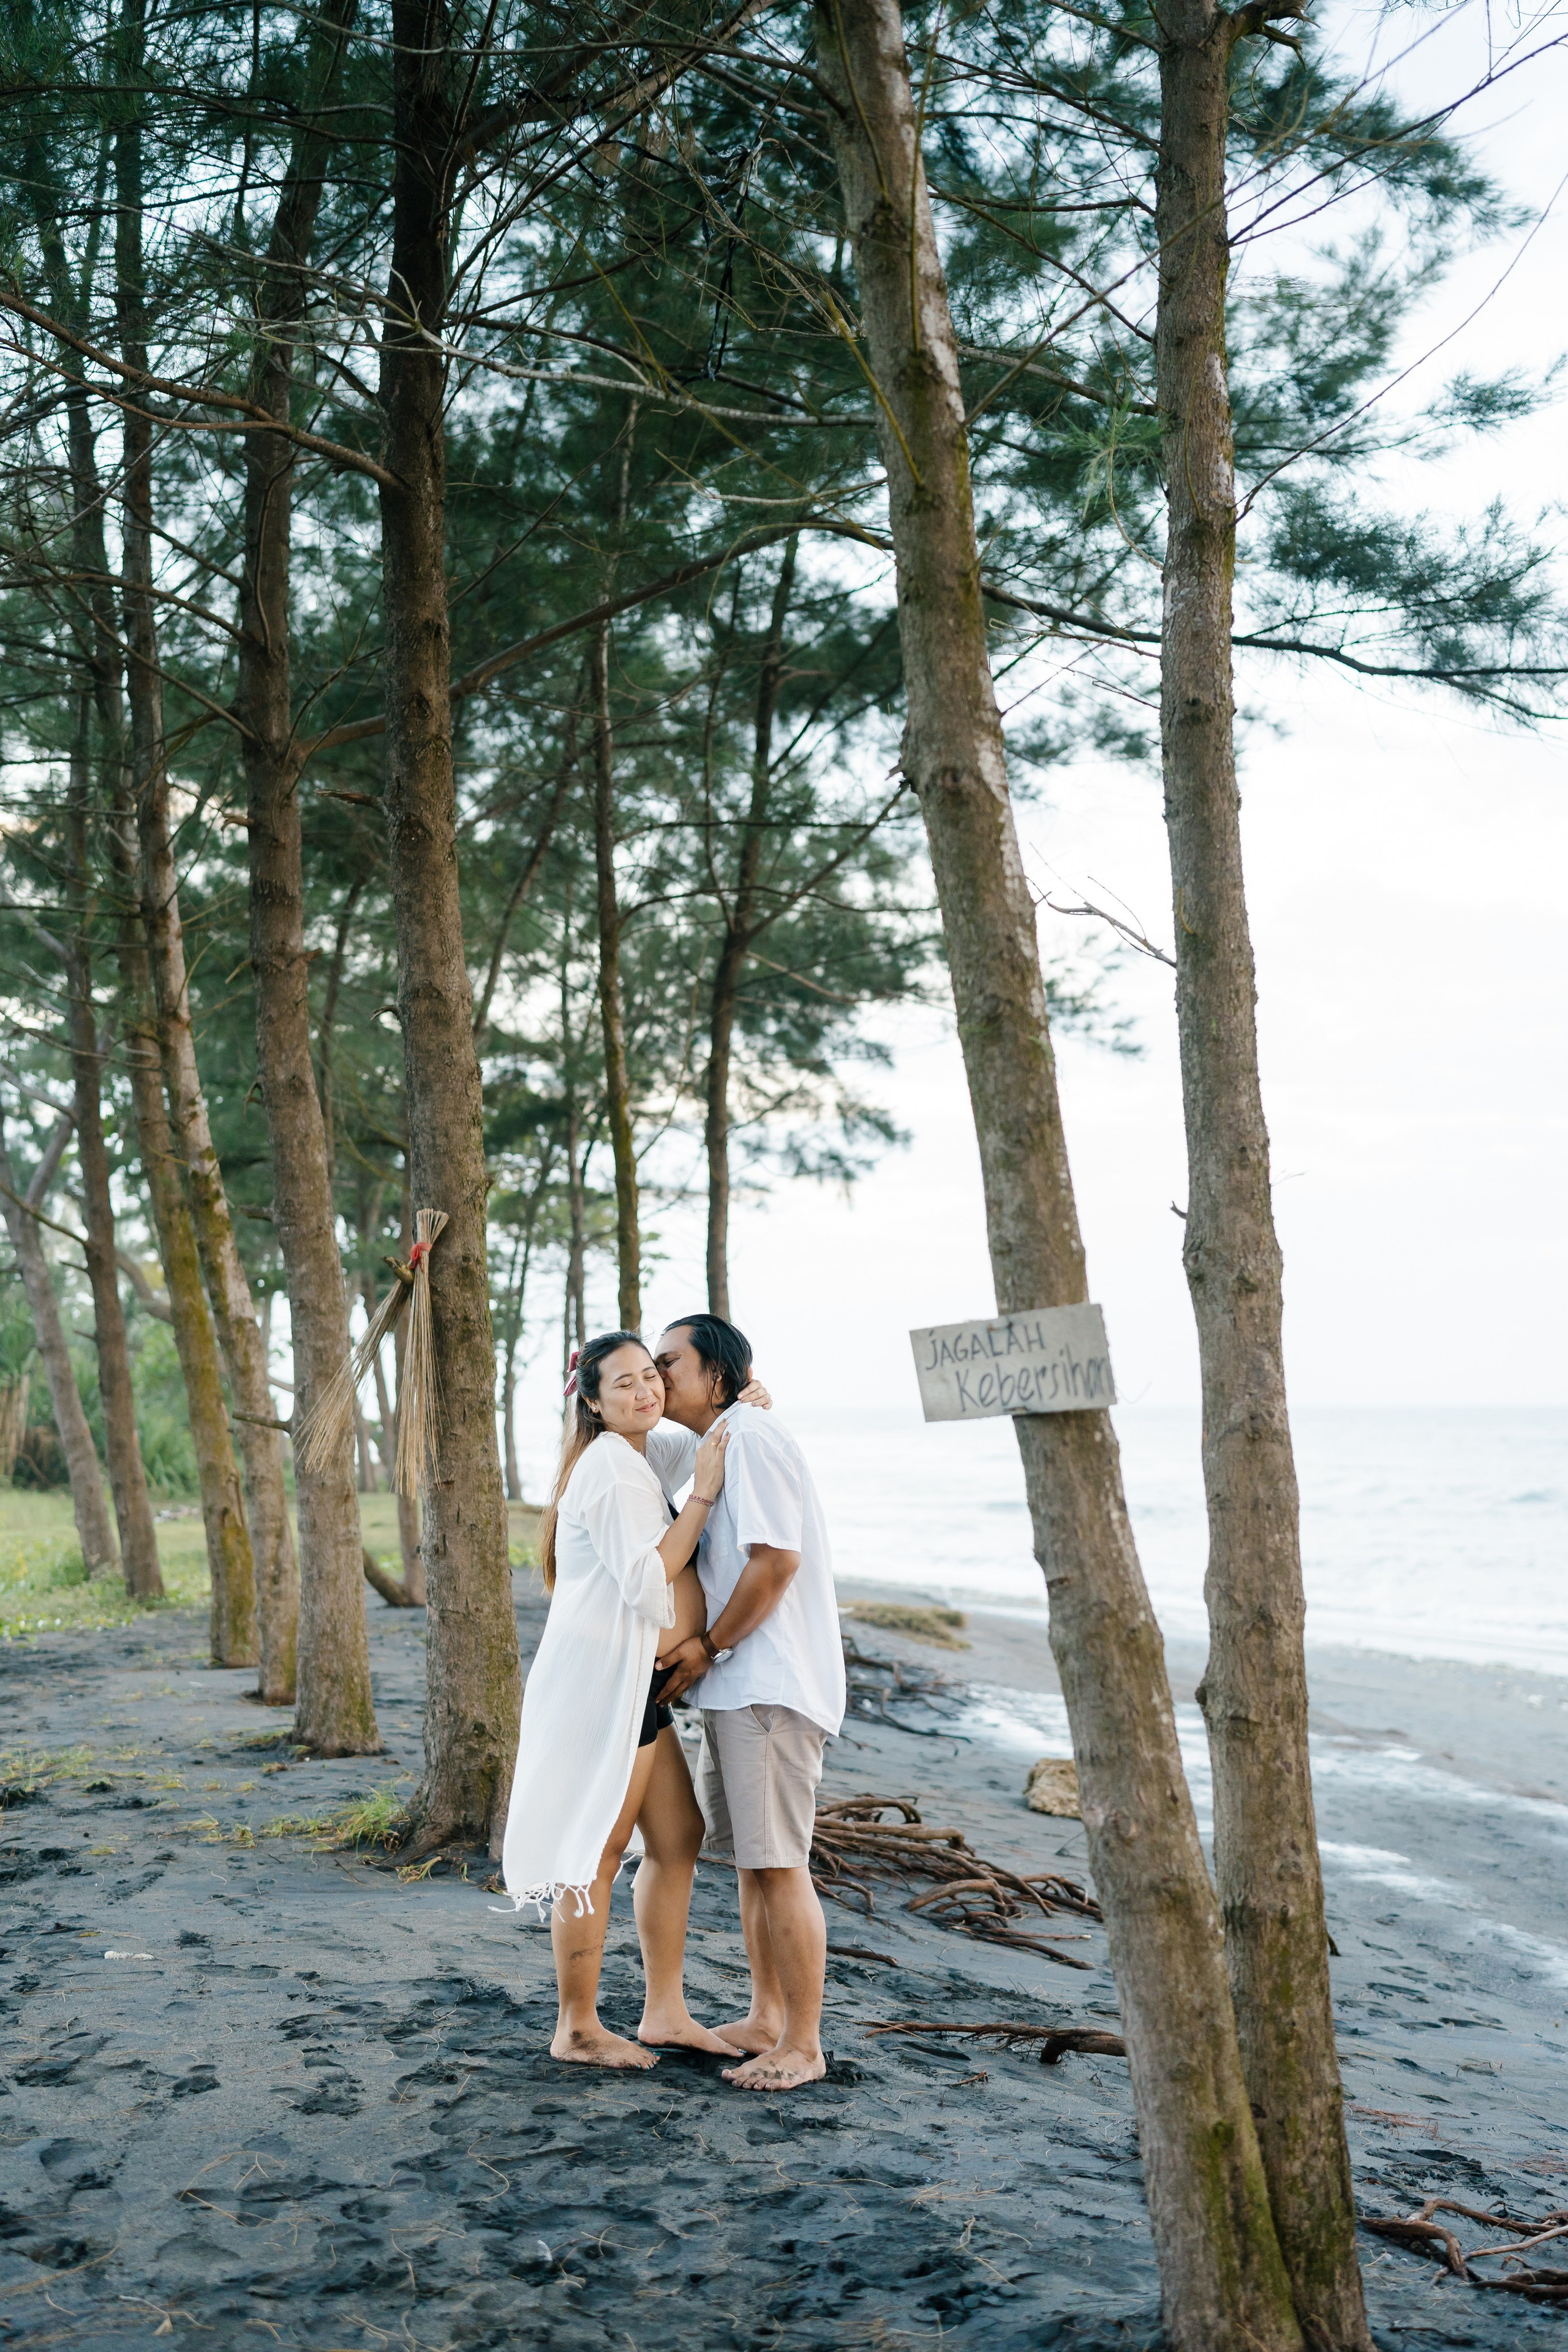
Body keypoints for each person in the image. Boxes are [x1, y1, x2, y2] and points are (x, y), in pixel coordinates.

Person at [499, 1329, 742, 2069]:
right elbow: (645, 1581)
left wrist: (743, 1405)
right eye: (625, 1385)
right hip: (599, 1688)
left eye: (651, 1377)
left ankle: (664, 2012)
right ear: (595, 1407)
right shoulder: (608, 1468)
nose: (646, 1392)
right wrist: (701, 1496)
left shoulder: (637, 1453)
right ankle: (577, 2028)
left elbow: (699, 1440)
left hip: (633, 1683)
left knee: (676, 1839)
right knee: (597, 1853)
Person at [653, 1314, 846, 2092]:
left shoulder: (752, 1438)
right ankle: (766, 2016)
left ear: (718, 1377)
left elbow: (775, 1563)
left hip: (766, 1681)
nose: (657, 1376)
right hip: (737, 1690)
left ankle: (802, 2043)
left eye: (670, 1363)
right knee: (749, 1863)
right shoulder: (717, 1439)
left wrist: (708, 1647)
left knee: (779, 1865)